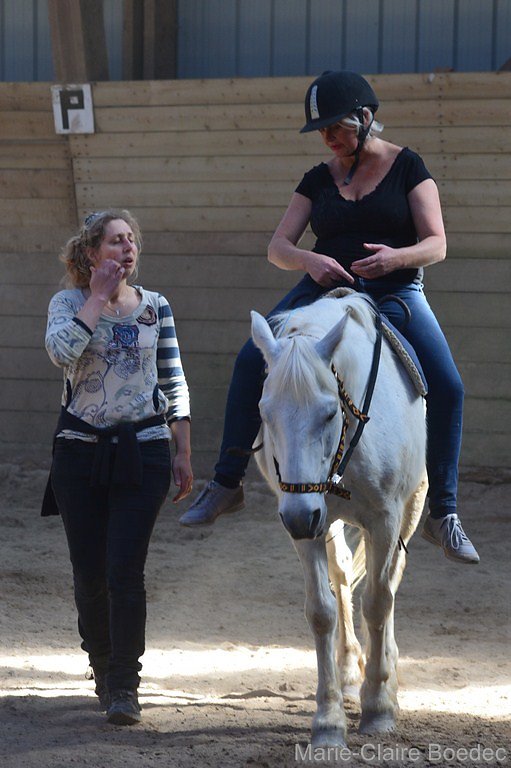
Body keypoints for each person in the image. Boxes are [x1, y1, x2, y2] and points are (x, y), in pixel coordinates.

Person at [179, 70, 479, 566]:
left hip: (394, 291)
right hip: (322, 288)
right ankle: (227, 482)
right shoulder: (317, 179)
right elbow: (278, 246)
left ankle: (443, 512)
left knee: (449, 385)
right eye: (321, 130)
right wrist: (309, 260)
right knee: (250, 359)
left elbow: (437, 244)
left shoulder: (409, 167)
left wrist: (396, 259)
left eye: (336, 126)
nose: (328, 138)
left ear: (366, 117)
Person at [43, 209, 193, 725]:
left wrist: (182, 449)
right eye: (114, 241)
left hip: (144, 448)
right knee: (90, 574)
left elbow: (173, 379)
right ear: (91, 253)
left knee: (125, 571)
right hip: (79, 450)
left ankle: (126, 685)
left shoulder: (156, 306)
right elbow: (61, 353)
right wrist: (96, 297)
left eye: (131, 240)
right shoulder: (67, 304)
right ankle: (103, 669)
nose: (127, 248)